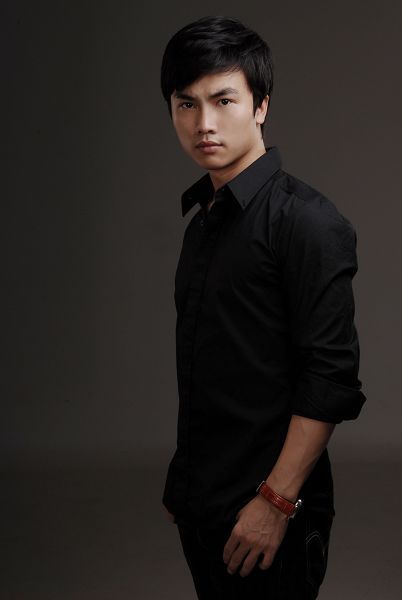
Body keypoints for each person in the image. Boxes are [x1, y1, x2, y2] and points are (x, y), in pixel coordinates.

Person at [159, 15, 366, 600]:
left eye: (223, 100)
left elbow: (330, 379)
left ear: (261, 106)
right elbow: (217, 365)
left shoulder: (308, 223)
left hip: (271, 507)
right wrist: (185, 478)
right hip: (202, 502)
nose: (203, 123)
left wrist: (275, 503)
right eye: (186, 104)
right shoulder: (204, 222)